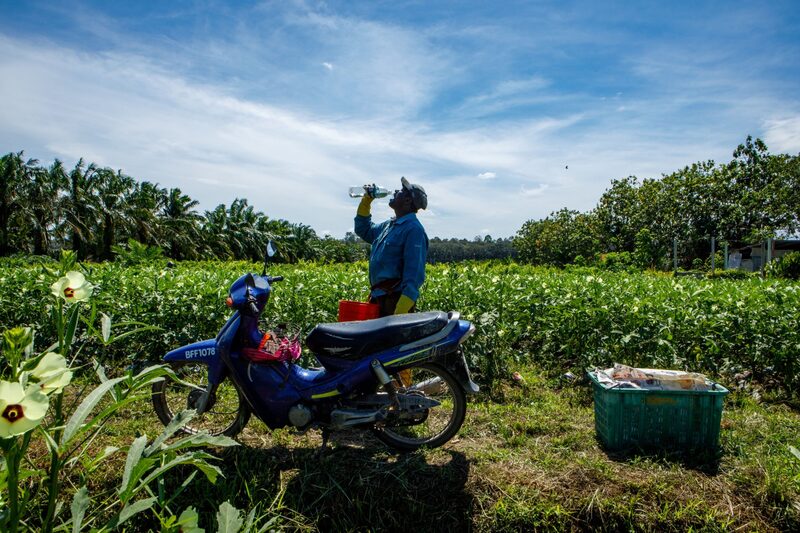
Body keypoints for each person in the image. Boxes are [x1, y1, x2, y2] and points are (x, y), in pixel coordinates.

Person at [354, 177, 428, 317]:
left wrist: (400, 311)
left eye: (401, 191)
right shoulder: (389, 225)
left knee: (390, 340)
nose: (395, 191)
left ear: (407, 200)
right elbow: (363, 229)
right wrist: (366, 201)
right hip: (378, 299)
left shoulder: (414, 230)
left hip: (394, 302)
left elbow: (414, 275)